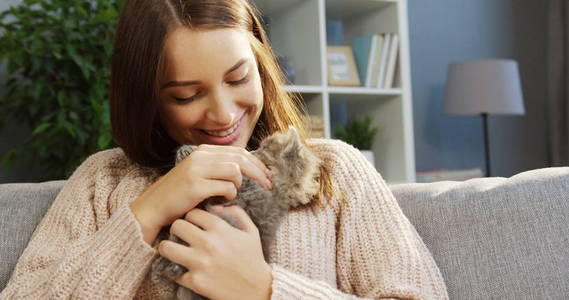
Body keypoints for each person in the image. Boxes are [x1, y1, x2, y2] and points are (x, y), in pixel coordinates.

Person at [0, 0, 449, 299]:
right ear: (147, 98)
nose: (223, 113)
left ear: (260, 64)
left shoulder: (333, 170)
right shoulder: (106, 180)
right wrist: (147, 211)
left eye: (238, 79)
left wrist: (265, 290)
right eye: (185, 95)